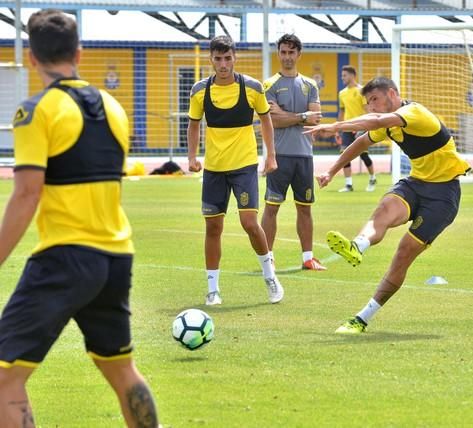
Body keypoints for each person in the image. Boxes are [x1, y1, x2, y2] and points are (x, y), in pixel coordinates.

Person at [0, 10, 158, 427]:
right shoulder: (114, 108)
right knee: (121, 368)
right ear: (80, 53)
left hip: (65, 256)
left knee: (4, 376)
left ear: (32, 58)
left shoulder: (36, 111)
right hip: (115, 256)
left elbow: (27, 193)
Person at [304, 77, 471, 333]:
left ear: (392, 94)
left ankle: (362, 318)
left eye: (374, 100)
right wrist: (332, 171)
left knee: (403, 253)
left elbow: (379, 121)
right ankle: (358, 246)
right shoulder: (390, 124)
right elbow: (361, 142)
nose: (370, 107)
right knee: (384, 209)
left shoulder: (413, 112)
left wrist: (337, 126)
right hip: (416, 185)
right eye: (367, 102)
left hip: (443, 196)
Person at [188, 35, 283, 305]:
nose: (223, 64)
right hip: (214, 169)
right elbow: (194, 125)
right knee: (213, 227)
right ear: (211, 59)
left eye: (227, 58)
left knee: (250, 223)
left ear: (235, 58)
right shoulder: (199, 91)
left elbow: (266, 121)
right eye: (217, 59)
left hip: (244, 165)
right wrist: (192, 157)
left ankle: (270, 276)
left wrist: (271, 157)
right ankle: (213, 289)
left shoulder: (252, 87)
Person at [262, 33, 327, 271]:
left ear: (299, 54)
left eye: (291, 52)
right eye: (283, 52)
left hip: (304, 156)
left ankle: (308, 258)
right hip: (278, 156)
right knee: (271, 207)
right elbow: (271, 121)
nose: (287, 57)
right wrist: (301, 116)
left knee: (305, 208)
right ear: (278, 54)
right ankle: (267, 259)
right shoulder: (268, 85)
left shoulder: (310, 85)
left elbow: (315, 122)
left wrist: (286, 115)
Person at [337, 65, 377, 192]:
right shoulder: (342, 93)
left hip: (361, 127)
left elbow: (367, 110)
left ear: (352, 75)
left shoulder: (361, 91)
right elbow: (342, 111)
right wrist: (338, 128)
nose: (342, 77)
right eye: (342, 75)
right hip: (347, 128)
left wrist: (362, 127)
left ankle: (372, 178)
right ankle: (348, 185)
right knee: (344, 154)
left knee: (363, 155)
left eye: (344, 75)